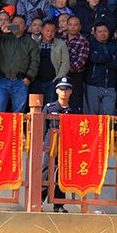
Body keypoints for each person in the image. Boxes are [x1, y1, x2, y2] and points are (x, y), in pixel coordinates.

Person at [43, 77, 78, 213]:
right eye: (61, 89)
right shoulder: (49, 108)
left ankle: (59, 204)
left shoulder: (74, 109)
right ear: (57, 91)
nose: (64, 92)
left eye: (67, 89)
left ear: (70, 92)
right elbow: (43, 127)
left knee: (62, 174)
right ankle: (38, 200)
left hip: (67, 147)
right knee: (46, 172)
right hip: (50, 146)